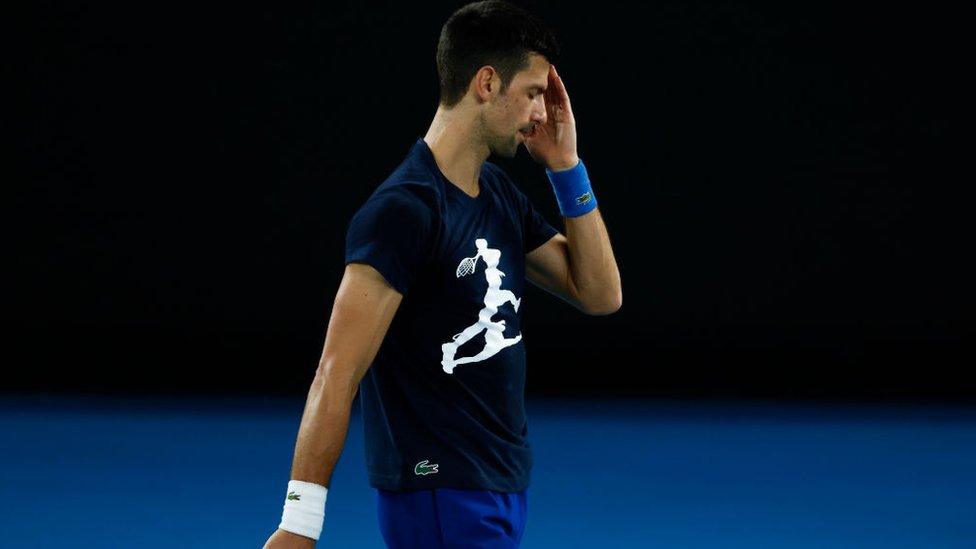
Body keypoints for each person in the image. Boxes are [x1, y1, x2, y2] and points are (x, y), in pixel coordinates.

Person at [263, 1, 621, 547]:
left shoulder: (498, 193)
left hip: (497, 483)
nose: (540, 114)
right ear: (486, 83)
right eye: (531, 92)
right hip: (440, 491)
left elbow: (599, 294)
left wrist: (568, 168)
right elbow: (337, 373)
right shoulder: (403, 212)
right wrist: (300, 522)